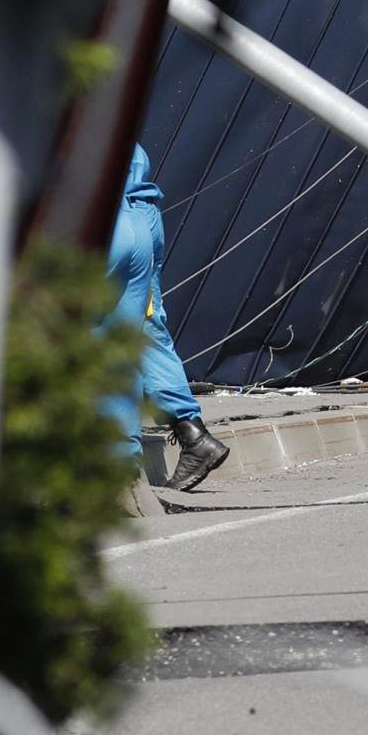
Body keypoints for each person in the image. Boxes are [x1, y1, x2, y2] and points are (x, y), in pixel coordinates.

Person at [106, 145, 226, 489]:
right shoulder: (116, 113)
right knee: (144, 330)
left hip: (114, 220)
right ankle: (191, 433)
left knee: (104, 336)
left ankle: (119, 461)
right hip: (144, 218)